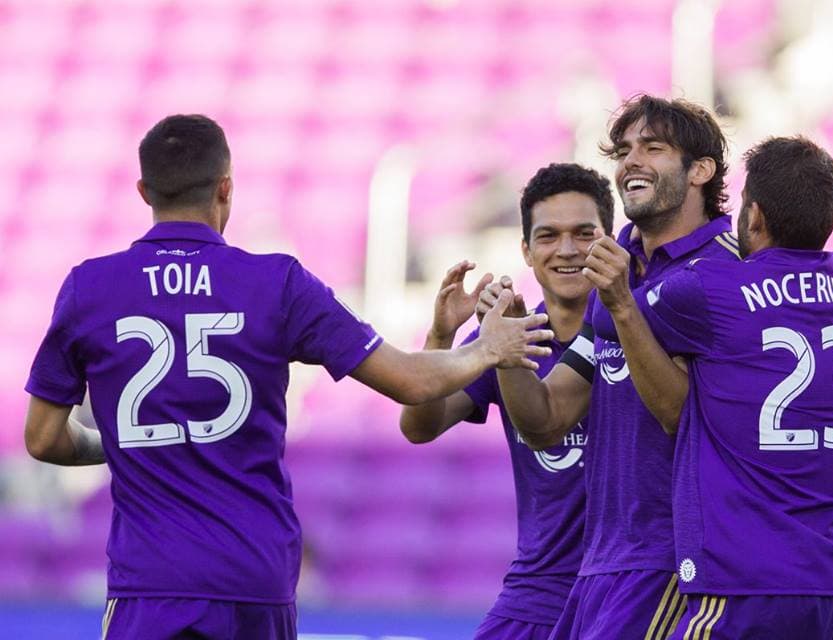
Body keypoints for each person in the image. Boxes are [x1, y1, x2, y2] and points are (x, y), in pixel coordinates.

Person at [22, 114, 553, 640]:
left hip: (150, 584)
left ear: (144, 191)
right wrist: (488, 348)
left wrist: (122, 443)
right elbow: (411, 382)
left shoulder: (89, 288)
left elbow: (43, 438)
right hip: (253, 578)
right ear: (226, 188)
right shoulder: (277, 282)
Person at [588, 136, 833, 638]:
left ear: (754, 217)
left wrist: (620, 293)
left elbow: (606, 319)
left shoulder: (708, 288)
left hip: (749, 578)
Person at [486, 95, 740, 639]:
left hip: (673, 563)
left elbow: (681, 416)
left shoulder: (723, 272)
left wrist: (625, 305)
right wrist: (506, 352)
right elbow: (545, 420)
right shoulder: (623, 269)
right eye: (624, 150)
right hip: (602, 565)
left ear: (700, 170)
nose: (631, 162)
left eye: (653, 148)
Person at [400, 163, 615, 640]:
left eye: (584, 233)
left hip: (627, 589)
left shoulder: (640, 330)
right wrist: (442, 333)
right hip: (539, 588)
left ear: (610, 239)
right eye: (548, 236)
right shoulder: (503, 337)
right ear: (525, 249)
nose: (567, 250)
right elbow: (419, 426)